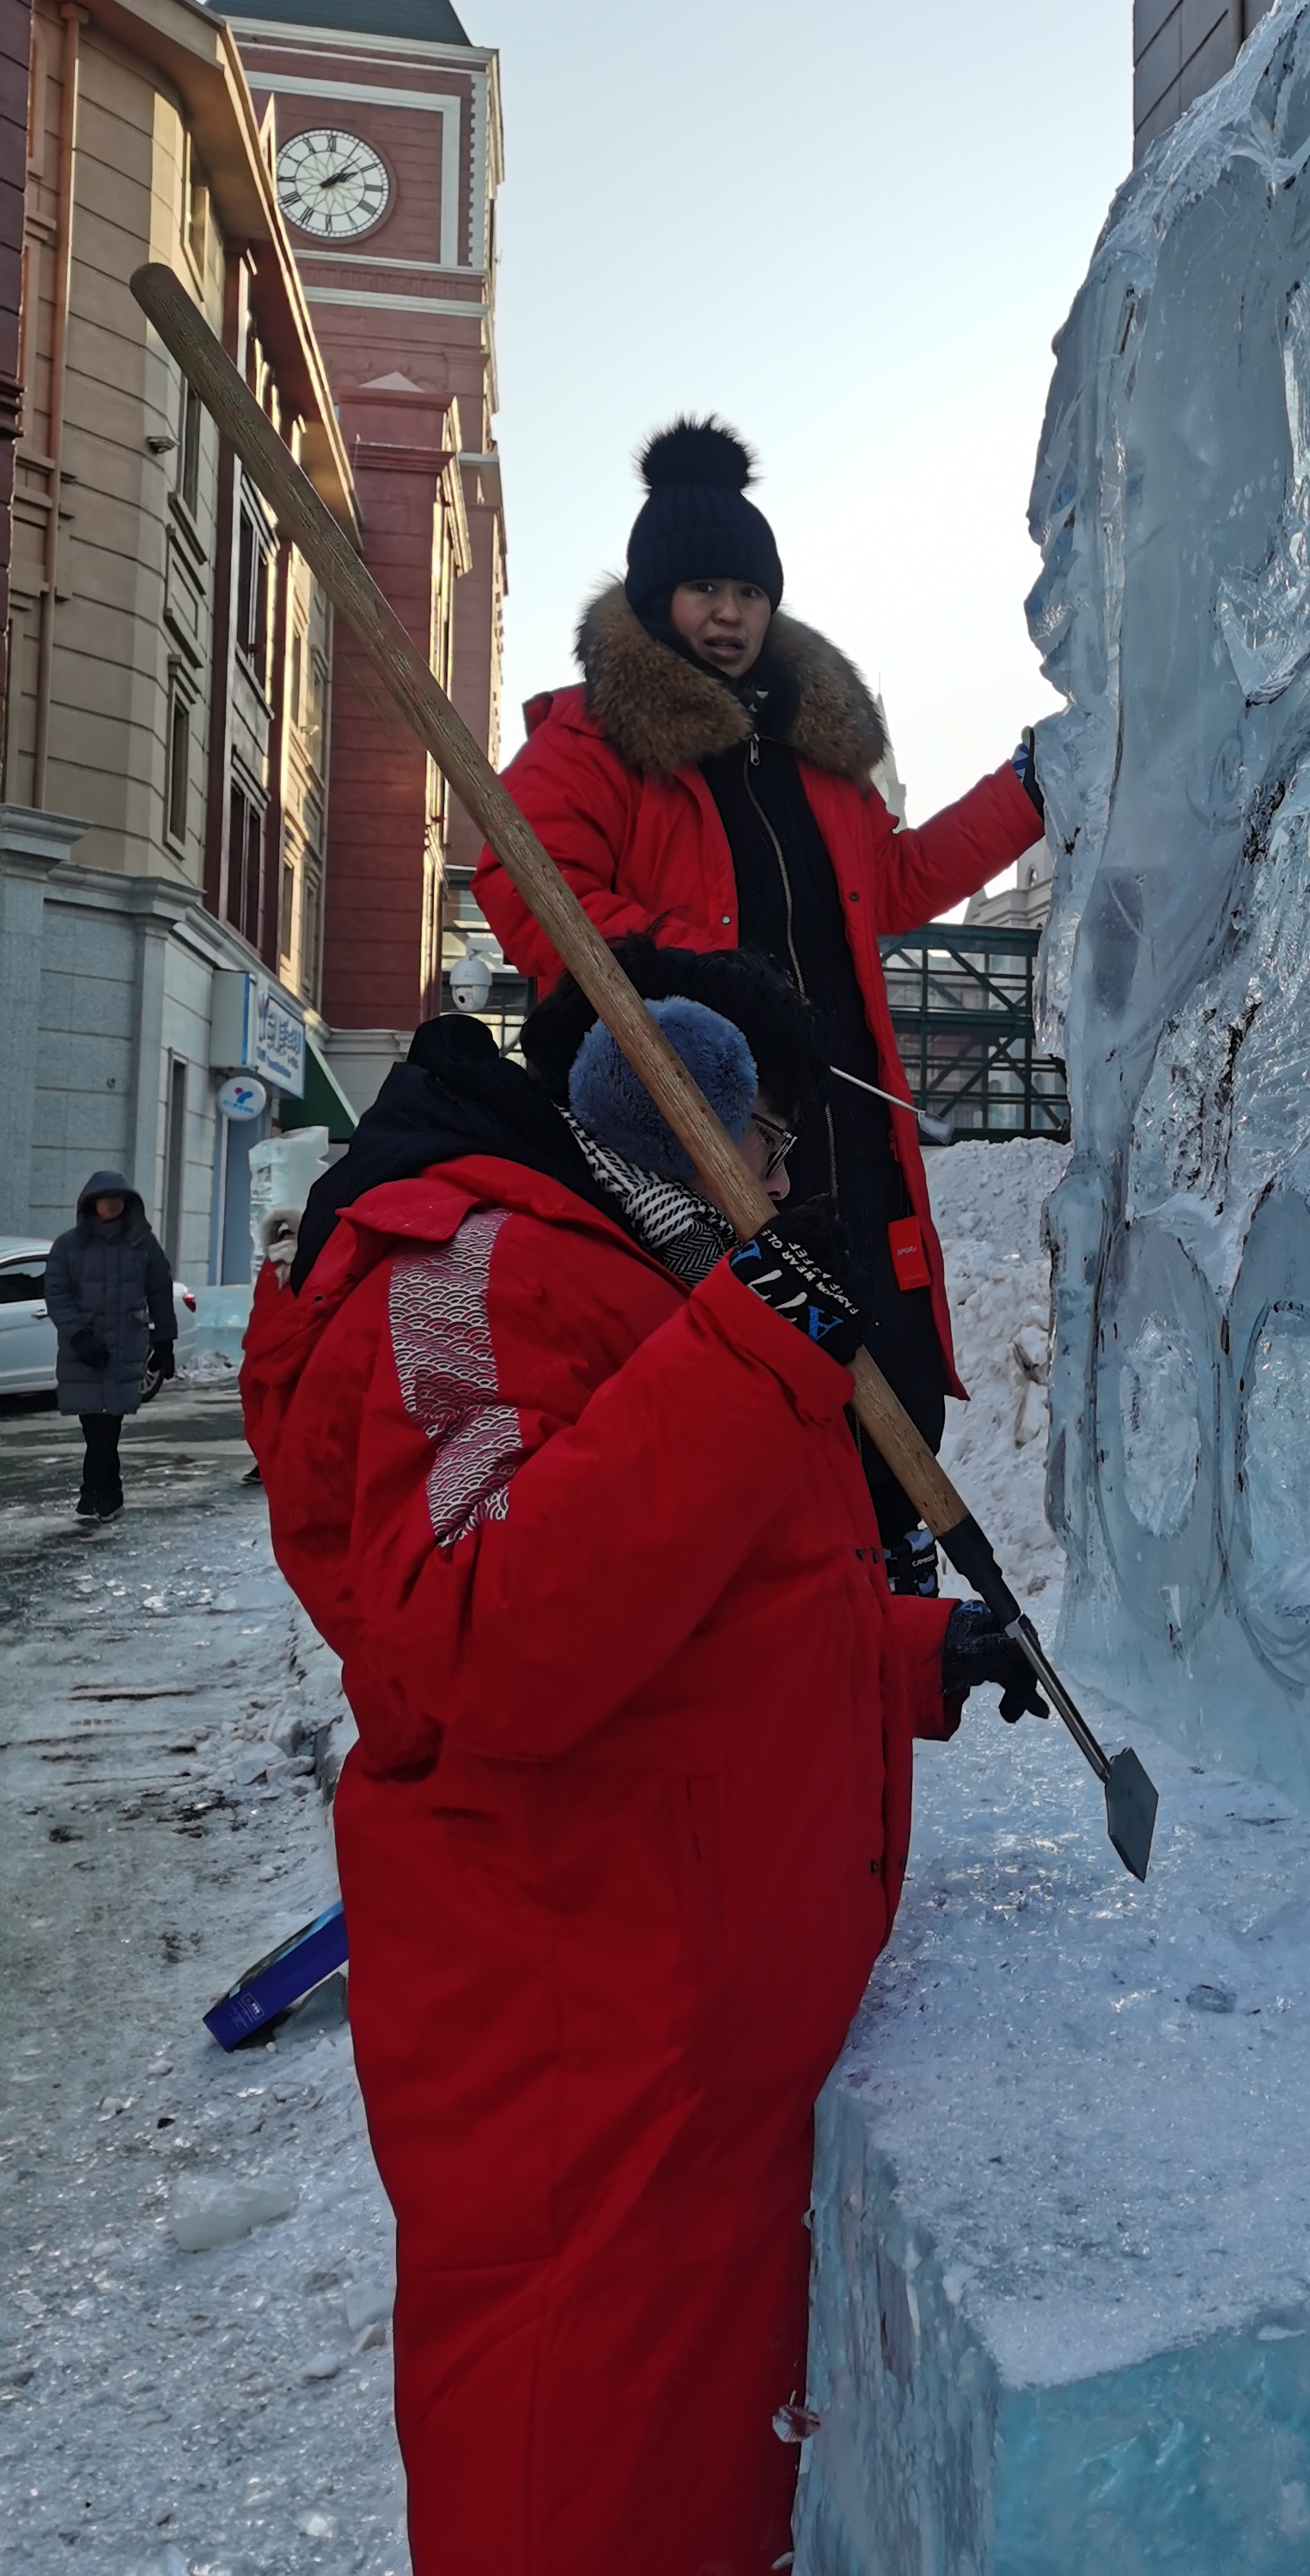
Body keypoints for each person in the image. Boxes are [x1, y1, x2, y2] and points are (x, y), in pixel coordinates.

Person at [245, 998, 1043, 2576]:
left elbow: (710, 1608)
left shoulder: (638, 1269)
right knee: (580, 2493)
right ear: (688, 1126)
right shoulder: (461, 1271)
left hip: (689, 2052)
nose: (781, 1172)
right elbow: (484, 1629)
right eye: (768, 1136)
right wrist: (746, 1354)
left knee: (706, 2495)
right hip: (585, 2072)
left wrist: (911, 1658)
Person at [473, 417, 1042, 1595]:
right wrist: (718, 974)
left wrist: (1026, 792)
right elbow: (532, 894)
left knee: (880, 1348)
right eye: (704, 591)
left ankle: (891, 1583)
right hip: (695, 1125)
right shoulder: (591, 744)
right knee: (739, 1366)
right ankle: (777, 1602)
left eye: (747, 592)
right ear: (656, 598)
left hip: (843, 1118)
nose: (728, 615)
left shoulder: (813, 758)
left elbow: (894, 884)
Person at [45, 1169, 178, 1520]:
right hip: (84, 1351)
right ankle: (102, 1494)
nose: (112, 1204)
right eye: (106, 1199)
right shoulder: (68, 1246)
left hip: (124, 1346)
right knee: (96, 1426)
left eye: (118, 1198)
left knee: (108, 1426)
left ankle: (100, 1496)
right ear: (91, 1204)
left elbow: (160, 1291)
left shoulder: (142, 1244)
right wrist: (79, 1335)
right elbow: (57, 1295)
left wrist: (165, 1339)